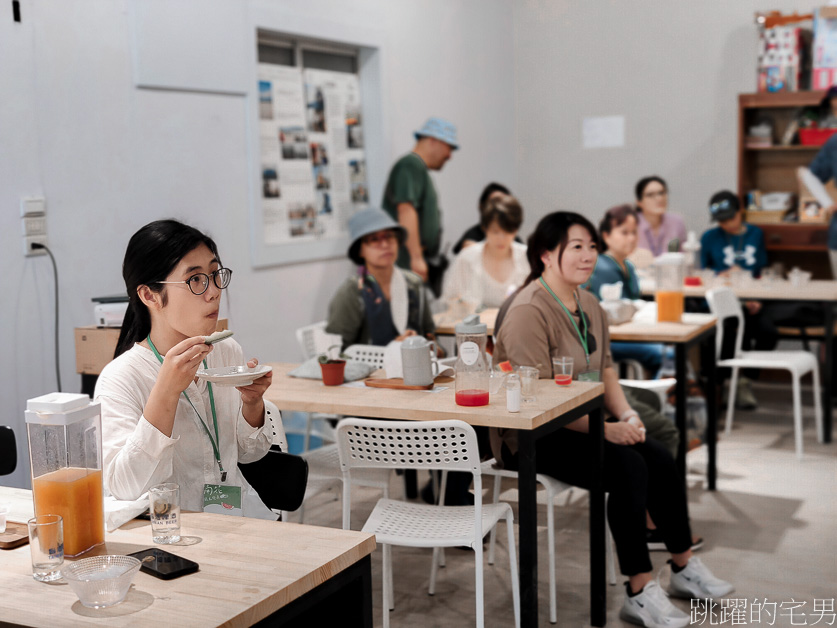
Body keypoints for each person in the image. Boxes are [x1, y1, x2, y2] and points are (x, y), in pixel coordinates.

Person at [491, 211, 732, 628]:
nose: (588, 256)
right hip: (532, 435)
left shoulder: (588, 302)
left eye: (592, 246)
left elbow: (605, 371)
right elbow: (535, 401)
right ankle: (638, 591)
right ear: (547, 255)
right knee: (627, 467)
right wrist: (605, 430)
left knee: (656, 454)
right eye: (576, 247)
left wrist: (628, 414)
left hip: (580, 420)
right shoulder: (529, 309)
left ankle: (682, 567)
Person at [95, 220, 278, 518]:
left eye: (215, 274)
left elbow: (250, 453)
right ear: (149, 296)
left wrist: (252, 404)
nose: (214, 292)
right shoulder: (120, 378)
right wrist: (165, 391)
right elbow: (122, 488)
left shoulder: (226, 352)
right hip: (168, 534)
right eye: (195, 280)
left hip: (236, 519)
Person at [700, 190, 777, 410]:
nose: (727, 224)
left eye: (730, 218)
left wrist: (755, 298)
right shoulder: (709, 237)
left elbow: (761, 271)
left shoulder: (755, 234)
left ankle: (746, 381)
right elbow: (702, 273)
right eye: (721, 220)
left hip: (751, 299)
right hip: (720, 302)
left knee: (768, 331)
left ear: (740, 211)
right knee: (725, 329)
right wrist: (719, 275)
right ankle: (718, 385)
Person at [326, 207, 436, 350]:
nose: (384, 244)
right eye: (374, 239)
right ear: (360, 250)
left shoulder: (413, 283)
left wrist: (433, 348)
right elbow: (334, 352)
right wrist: (397, 348)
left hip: (417, 366)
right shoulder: (353, 291)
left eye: (389, 236)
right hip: (368, 370)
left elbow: (429, 333)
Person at [585, 204, 667, 377]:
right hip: (609, 339)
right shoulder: (602, 267)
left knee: (670, 351)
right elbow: (617, 313)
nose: (631, 238)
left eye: (634, 232)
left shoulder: (628, 266)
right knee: (665, 354)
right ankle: (661, 399)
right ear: (606, 236)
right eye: (624, 232)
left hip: (631, 334)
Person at [382, 117, 458, 291]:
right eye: (449, 147)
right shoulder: (410, 165)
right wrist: (416, 257)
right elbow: (406, 210)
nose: (450, 156)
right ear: (433, 140)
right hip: (406, 262)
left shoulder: (418, 169)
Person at [442, 194, 528, 309]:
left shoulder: (526, 257)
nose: (501, 238)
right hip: (475, 325)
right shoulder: (467, 258)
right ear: (485, 228)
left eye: (508, 232)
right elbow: (449, 299)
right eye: (495, 231)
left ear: (516, 230)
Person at [452, 182, 520, 254]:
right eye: (494, 203)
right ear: (482, 206)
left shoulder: (517, 243)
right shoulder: (471, 239)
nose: (499, 209)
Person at [634, 176, 687, 257]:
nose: (659, 198)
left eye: (661, 193)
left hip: (670, 268)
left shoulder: (676, 222)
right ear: (639, 202)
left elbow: (684, 256)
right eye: (650, 195)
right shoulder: (632, 223)